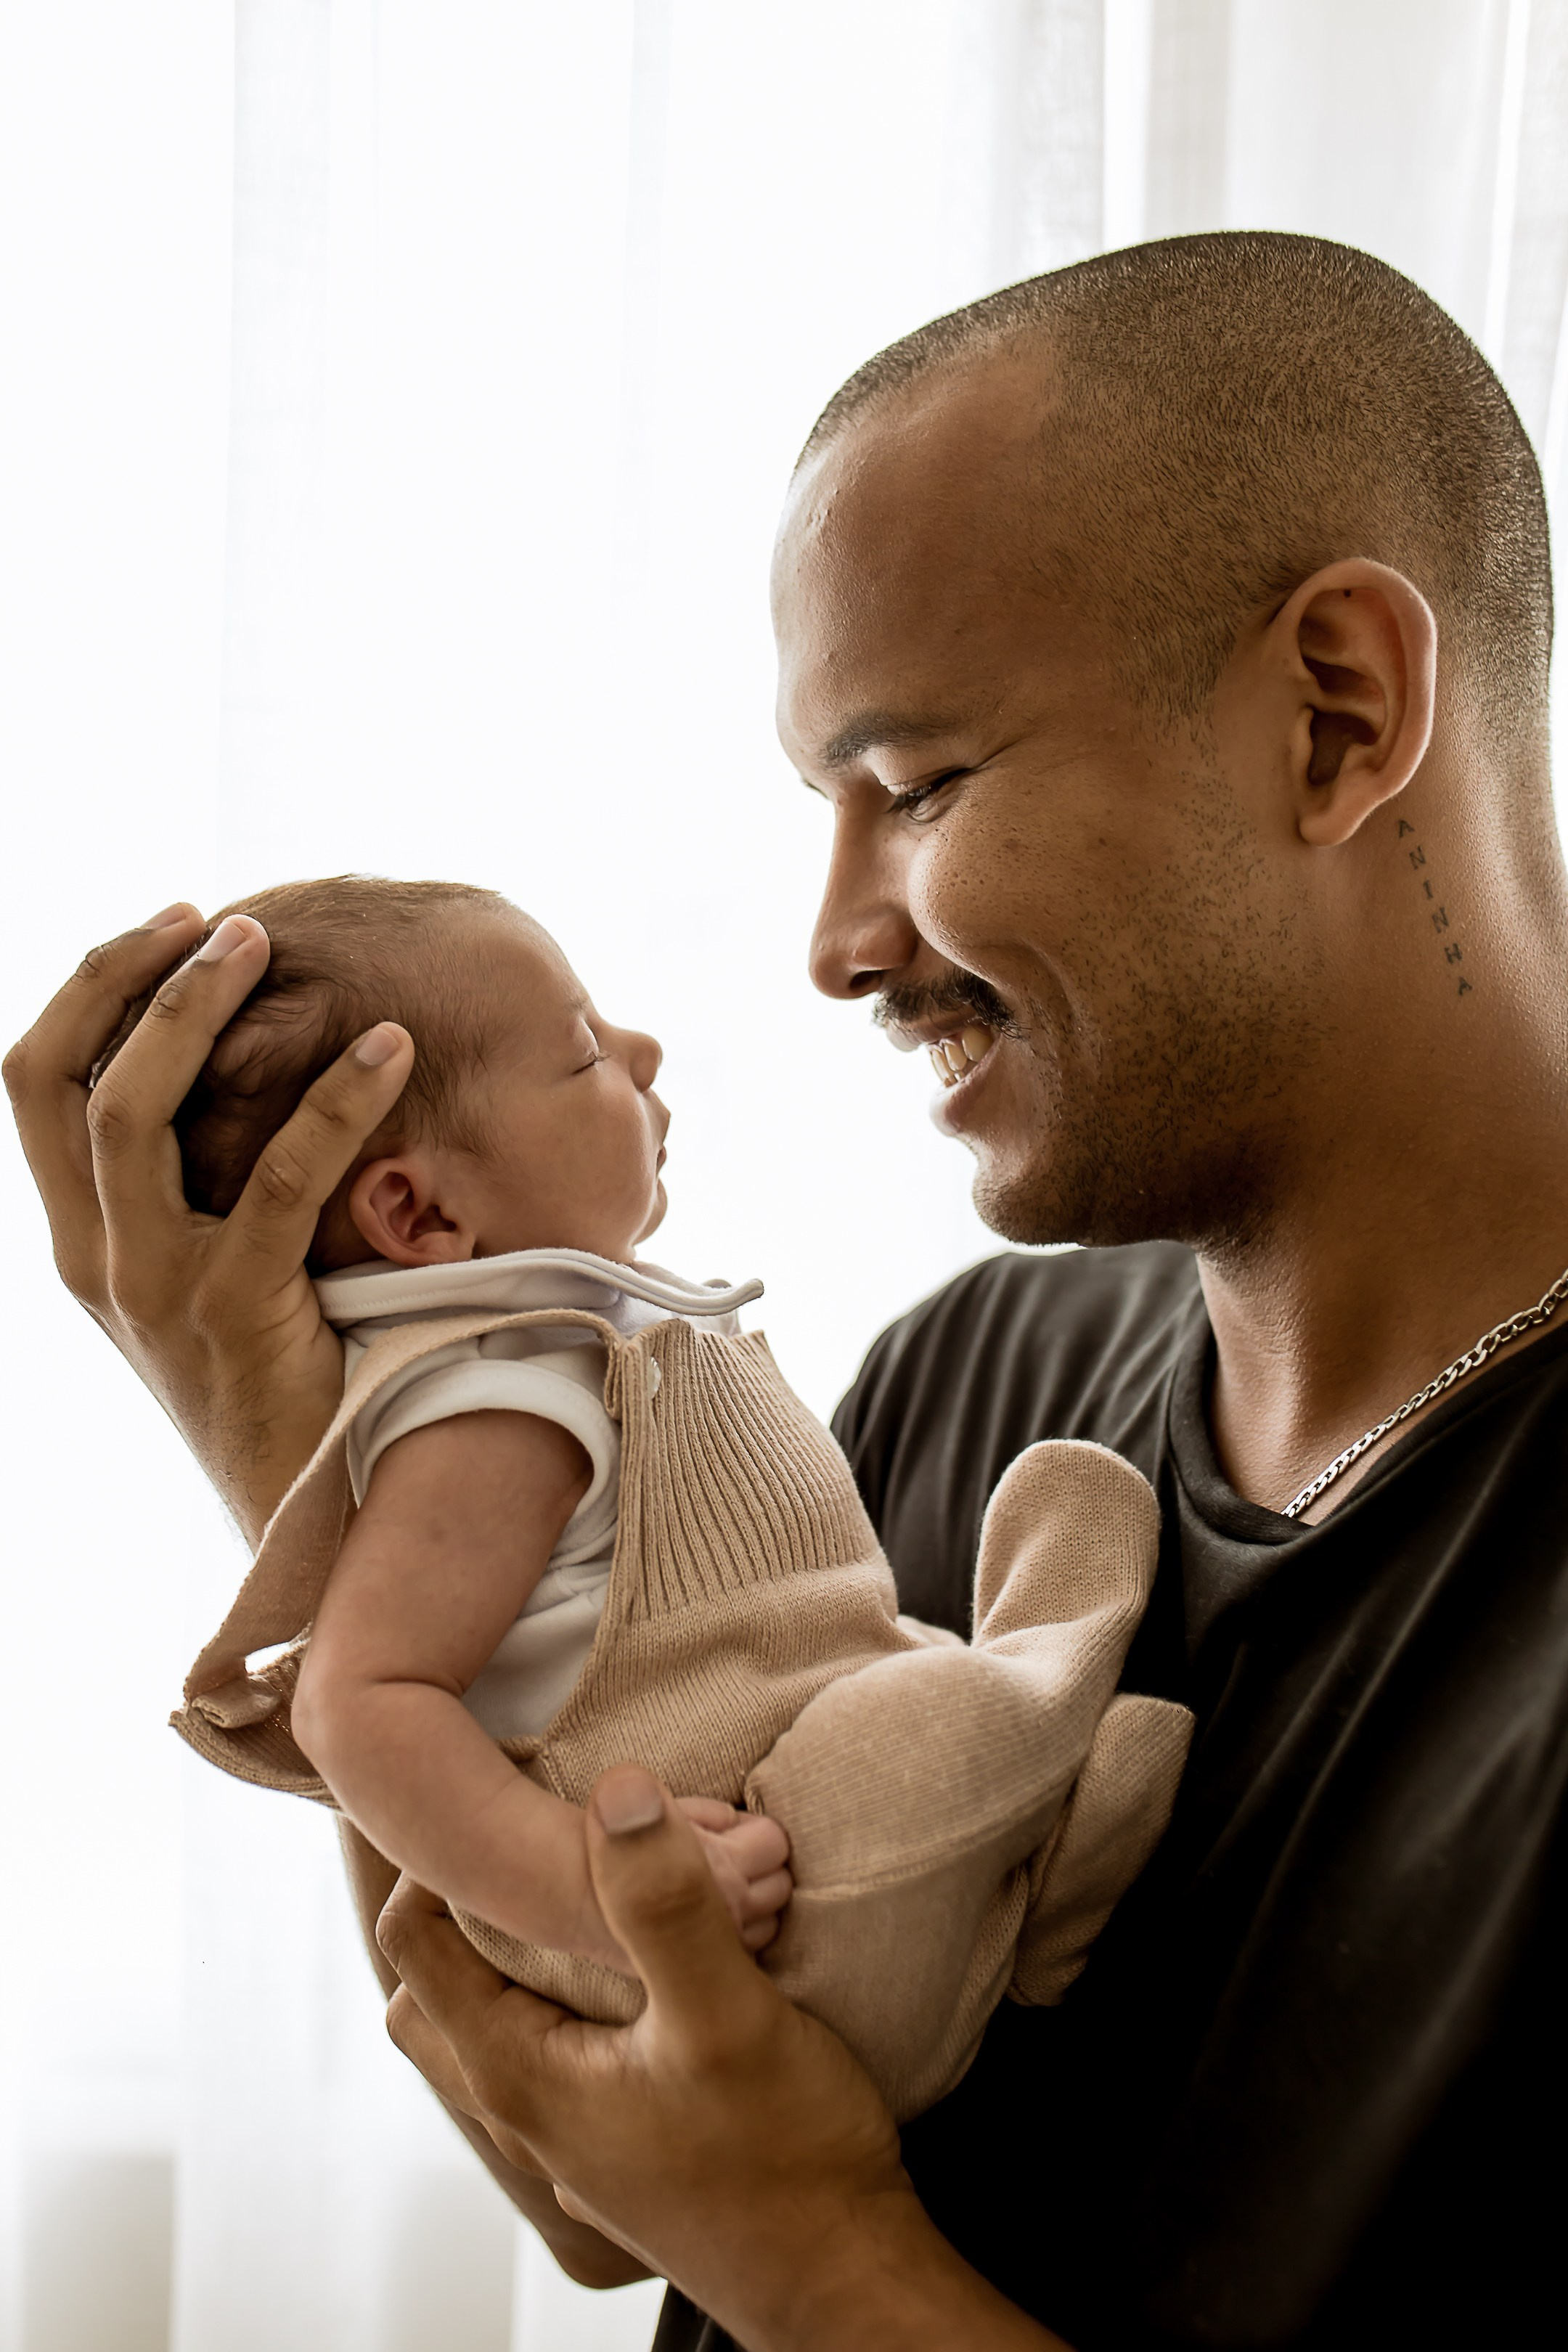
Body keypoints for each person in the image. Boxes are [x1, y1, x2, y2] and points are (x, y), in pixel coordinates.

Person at [9, 226, 1567, 2347]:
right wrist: (325, 1440)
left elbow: (747, 2215)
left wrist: (825, 2256)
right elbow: (599, 2186)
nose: (838, 941)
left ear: (1336, 712)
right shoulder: (967, 1382)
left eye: (917, 787)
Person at [117, 872, 1185, 2120]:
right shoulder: (496, 1397)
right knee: (917, 1735)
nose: (641, 1049)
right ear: (417, 1211)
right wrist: (600, 1890)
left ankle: (1023, 1880)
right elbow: (357, 1708)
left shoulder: (581, 1342)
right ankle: (1039, 1722)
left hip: (797, 1849)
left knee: (924, 1688)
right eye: (580, 1054)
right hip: (724, 1909)